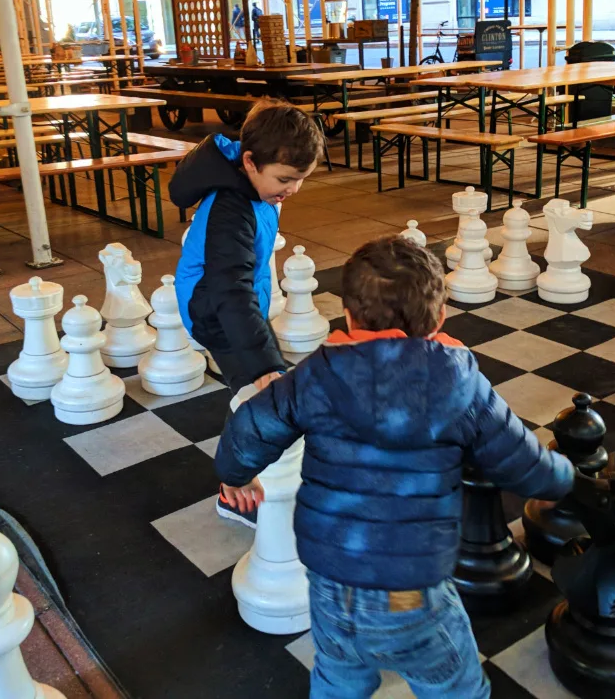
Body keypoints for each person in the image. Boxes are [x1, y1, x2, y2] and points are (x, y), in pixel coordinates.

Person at [215, 236, 575, 698]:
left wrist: (236, 475)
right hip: (408, 590)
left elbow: (250, 426)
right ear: (441, 317)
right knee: (454, 685)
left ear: (347, 316)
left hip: (329, 582)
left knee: (338, 672)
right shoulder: (457, 380)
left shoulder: (316, 374)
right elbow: (524, 466)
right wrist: (566, 478)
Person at [170, 101, 324, 527]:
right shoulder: (230, 208)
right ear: (250, 162)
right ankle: (235, 488)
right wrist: (262, 362)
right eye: (285, 179)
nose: (292, 190)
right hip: (214, 309)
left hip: (231, 302)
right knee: (255, 392)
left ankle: (246, 473)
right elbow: (229, 288)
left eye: (300, 181)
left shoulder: (251, 182)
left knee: (256, 389)